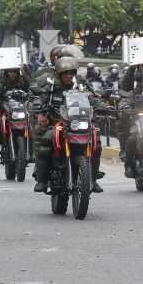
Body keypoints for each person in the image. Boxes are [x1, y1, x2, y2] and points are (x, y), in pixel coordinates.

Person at [31, 56, 106, 193]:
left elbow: (92, 99)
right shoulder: (51, 87)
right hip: (58, 123)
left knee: (96, 142)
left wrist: (104, 106)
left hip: (78, 123)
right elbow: (41, 98)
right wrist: (39, 110)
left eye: (71, 73)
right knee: (46, 142)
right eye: (65, 73)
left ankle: (93, 179)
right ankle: (42, 180)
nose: (69, 76)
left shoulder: (79, 86)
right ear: (59, 74)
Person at [0, 65, 31, 162]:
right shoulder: (1, 84)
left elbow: (31, 87)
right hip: (5, 110)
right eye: (10, 72)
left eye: (15, 72)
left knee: (31, 124)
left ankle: (31, 153)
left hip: (20, 110)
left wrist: (25, 72)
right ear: (7, 73)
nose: (13, 74)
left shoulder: (21, 82)